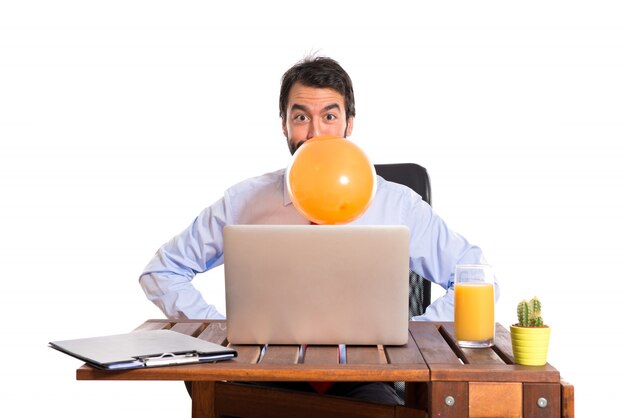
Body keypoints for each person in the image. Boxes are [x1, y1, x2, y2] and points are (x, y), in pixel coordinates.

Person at [139, 56, 499, 406]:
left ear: (349, 123)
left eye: (329, 115)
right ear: (283, 124)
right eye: (300, 117)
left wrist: (411, 337)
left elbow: (479, 277)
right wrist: (223, 332)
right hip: (265, 374)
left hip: (363, 378)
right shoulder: (244, 201)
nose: (314, 133)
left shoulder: (397, 203)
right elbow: (162, 271)